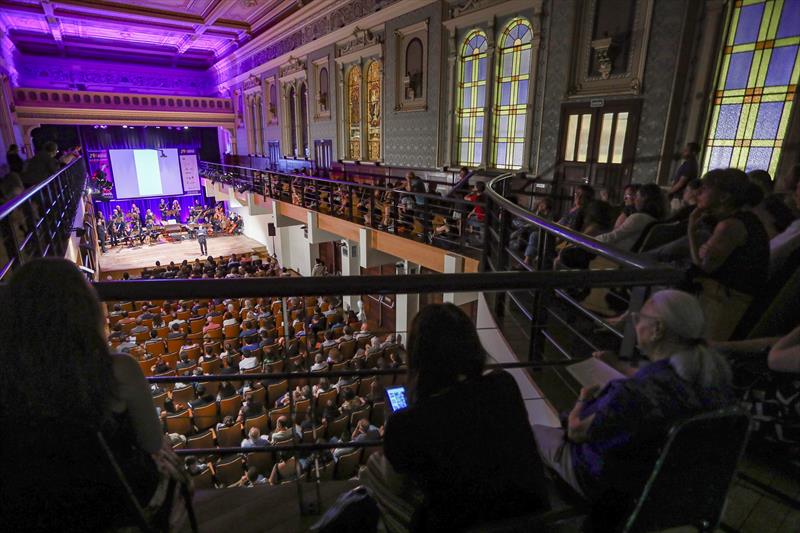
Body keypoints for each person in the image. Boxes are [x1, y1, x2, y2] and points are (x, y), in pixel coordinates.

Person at [0, 259, 189, 531]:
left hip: (32, 511)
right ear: (85, 309)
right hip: (115, 505)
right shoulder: (119, 369)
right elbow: (151, 443)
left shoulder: (9, 378)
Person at [533, 290, 733, 526]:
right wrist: (617, 365)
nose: (635, 324)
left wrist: (582, 400)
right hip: (675, 493)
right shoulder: (713, 383)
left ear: (657, 329)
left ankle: (549, 510)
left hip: (612, 485)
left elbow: (576, 431)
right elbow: (660, 384)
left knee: (533, 433)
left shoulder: (633, 394)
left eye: (640, 318)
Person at [382, 304, 550, 531]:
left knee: (375, 472)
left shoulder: (406, 423)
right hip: (530, 520)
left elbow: (397, 486)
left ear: (417, 356)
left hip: (459, 525)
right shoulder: (504, 384)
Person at [688, 168, 770, 340]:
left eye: (704, 189)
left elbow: (703, 267)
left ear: (723, 197)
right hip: (729, 298)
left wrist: (691, 231)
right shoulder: (744, 219)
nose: (698, 193)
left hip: (726, 303)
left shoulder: (730, 226)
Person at [668, 142, 700, 211]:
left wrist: (669, 192)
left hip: (680, 198)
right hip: (679, 196)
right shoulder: (687, 163)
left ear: (693, 153)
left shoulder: (690, 165)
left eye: (686, 150)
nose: (683, 152)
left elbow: (681, 183)